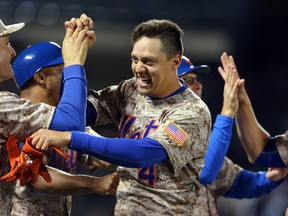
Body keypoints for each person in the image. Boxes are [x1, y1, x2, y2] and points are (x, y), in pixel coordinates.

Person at [30, 19, 212, 215]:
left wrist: (72, 138)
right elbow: (77, 114)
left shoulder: (192, 112)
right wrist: (74, 62)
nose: (139, 69)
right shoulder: (130, 89)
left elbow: (144, 154)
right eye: (135, 59)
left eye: (148, 61)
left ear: (175, 62)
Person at [0, 15, 118, 216]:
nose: (12, 51)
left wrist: (141, 154)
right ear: (40, 77)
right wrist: (74, 62)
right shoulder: (13, 116)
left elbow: (102, 153)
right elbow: (34, 177)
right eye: (6, 43)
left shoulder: (35, 117)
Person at [178, 55, 288, 215]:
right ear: (165, 85)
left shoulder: (197, 135)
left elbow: (234, 182)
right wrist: (228, 110)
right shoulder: (154, 129)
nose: (198, 85)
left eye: (198, 80)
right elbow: (205, 173)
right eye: (188, 79)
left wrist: (268, 179)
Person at [218, 52, 288, 168]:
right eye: (187, 80)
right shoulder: (177, 130)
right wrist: (241, 102)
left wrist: (227, 112)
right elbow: (262, 152)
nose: (198, 86)